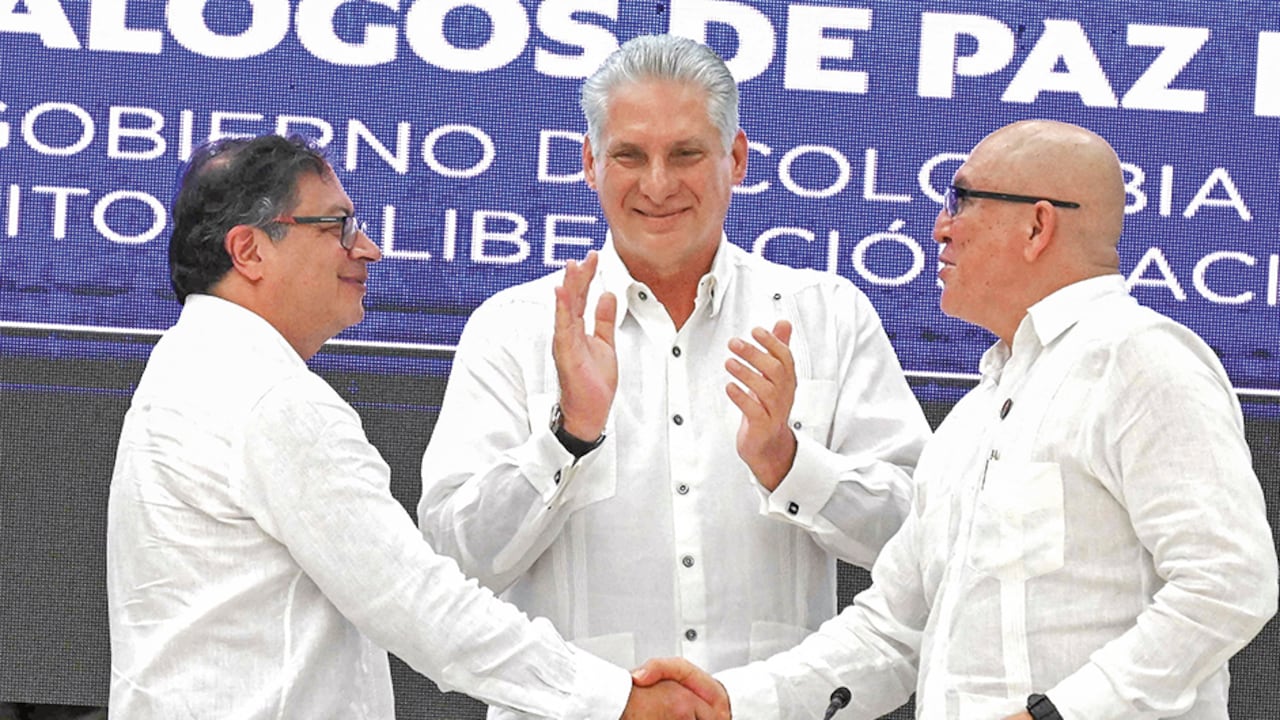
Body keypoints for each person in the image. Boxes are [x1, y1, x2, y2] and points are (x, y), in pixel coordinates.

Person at [634, 119, 1280, 719]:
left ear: (1038, 227)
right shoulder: (973, 417)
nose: (940, 228)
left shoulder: (1137, 358)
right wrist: (734, 701)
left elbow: (1228, 582)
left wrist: (1057, 714)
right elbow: (894, 629)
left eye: (960, 200)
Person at [106, 133, 727, 720]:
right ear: (249, 250)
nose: (368, 249)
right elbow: (415, 602)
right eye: (338, 226)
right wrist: (616, 700)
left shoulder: (187, 365)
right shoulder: (270, 397)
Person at [417, 32, 931, 715]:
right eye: (629, 156)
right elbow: (452, 566)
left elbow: (923, 545)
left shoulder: (826, 316)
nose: (657, 185)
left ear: (736, 159)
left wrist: (789, 462)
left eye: (685, 154)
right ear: (590, 165)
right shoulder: (515, 327)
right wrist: (567, 438)